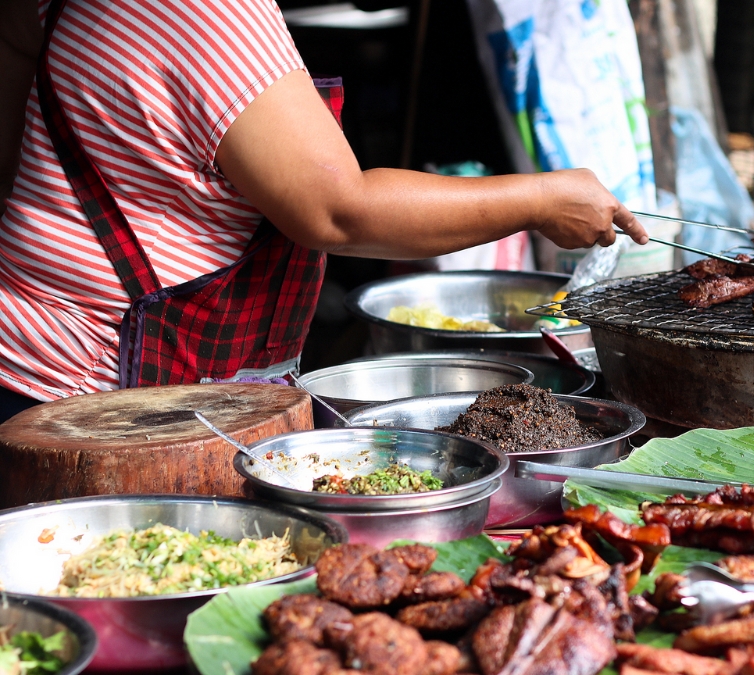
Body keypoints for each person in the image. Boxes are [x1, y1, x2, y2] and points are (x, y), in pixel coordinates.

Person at [0, 0, 647, 421]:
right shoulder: (207, 14)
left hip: (53, 382)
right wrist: (539, 198)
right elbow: (340, 211)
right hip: (86, 400)